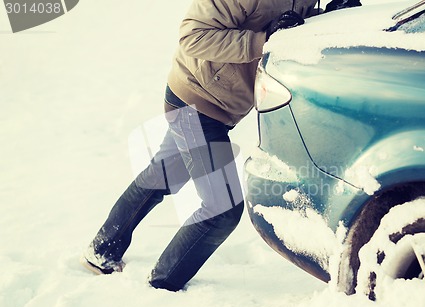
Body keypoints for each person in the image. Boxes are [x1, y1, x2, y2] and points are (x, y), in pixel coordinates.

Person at [81, 0, 319, 292]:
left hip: (219, 104)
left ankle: (102, 250)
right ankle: (162, 286)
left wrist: (331, 15)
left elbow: (293, 24)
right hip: (195, 100)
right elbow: (193, 36)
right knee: (221, 210)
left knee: (164, 175)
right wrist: (264, 41)